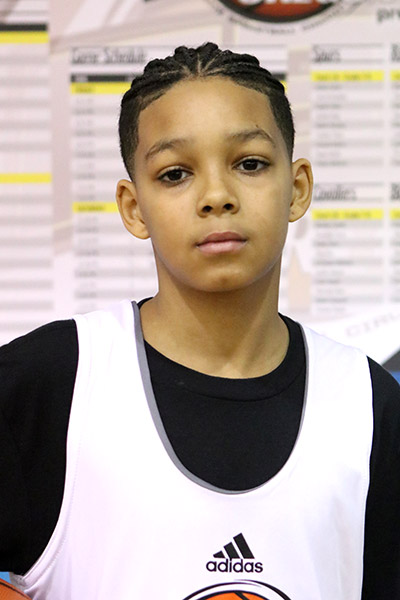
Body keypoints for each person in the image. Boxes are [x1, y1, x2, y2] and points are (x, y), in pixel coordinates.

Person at [0, 42, 399, 600]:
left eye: (249, 164)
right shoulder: (52, 383)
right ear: (133, 207)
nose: (216, 196)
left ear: (298, 188)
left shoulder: (368, 406)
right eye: (175, 174)